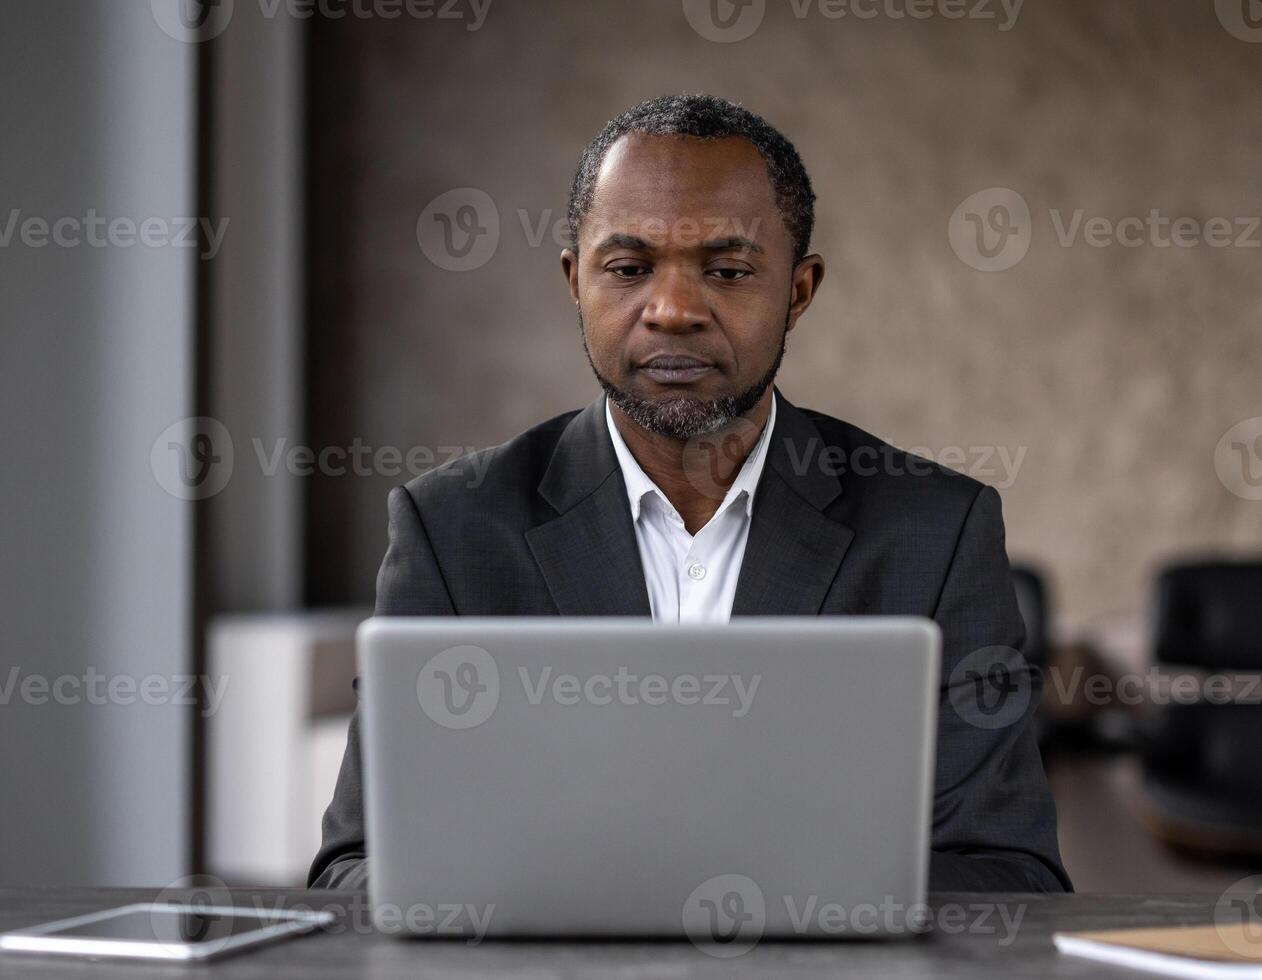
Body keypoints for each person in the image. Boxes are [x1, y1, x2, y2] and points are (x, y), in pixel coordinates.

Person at [309, 94, 1070, 894]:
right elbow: (354, 873)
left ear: (799, 292)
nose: (673, 311)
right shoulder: (453, 530)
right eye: (629, 269)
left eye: (728, 271)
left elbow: (1010, 877)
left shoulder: (935, 532)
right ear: (575, 281)